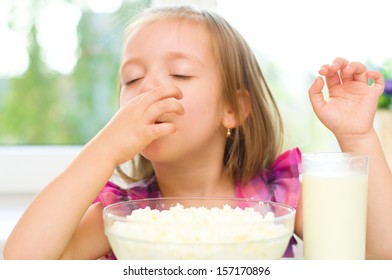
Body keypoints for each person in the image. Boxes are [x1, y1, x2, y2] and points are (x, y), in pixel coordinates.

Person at [4, 5, 392, 260]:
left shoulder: (278, 200)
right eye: (133, 78)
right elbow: (20, 262)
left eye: (180, 74)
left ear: (233, 109)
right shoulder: (121, 217)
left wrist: (358, 138)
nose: (150, 89)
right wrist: (104, 149)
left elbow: (382, 253)